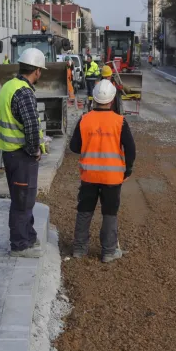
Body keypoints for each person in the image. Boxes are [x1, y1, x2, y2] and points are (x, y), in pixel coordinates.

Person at [70, 80, 135, 263]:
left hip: (89, 176)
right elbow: (131, 149)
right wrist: (127, 170)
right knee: (109, 212)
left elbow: (74, 147)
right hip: (112, 178)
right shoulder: (120, 122)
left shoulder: (84, 120)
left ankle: (79, 248)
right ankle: (108, 251)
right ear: (112, 99)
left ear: (95, 99)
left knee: (84, 209)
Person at [0, 49, 47, 258]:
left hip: (10, 153)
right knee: (23, 201)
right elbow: (32, 127)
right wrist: (35, 149)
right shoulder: (24, 92)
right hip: (22, 155)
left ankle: (29, 236)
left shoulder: (8, 86)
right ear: (37, 71)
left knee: (22, 199)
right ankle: (20, 244)